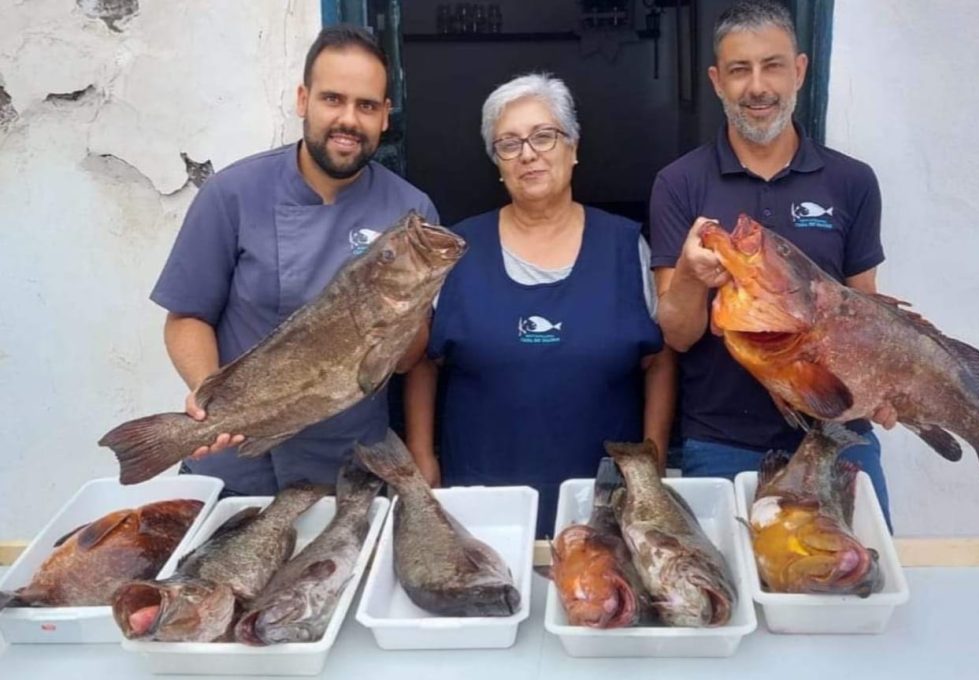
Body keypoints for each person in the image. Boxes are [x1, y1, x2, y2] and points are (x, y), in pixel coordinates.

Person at [150, 24, 438, 495]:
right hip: (239, 467)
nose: (348, 119)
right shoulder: (233, 194)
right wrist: (212, 400)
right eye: (332, 99)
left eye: (366, 105)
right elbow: (186, 317)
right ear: (303, 100)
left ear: (386, 116)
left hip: (350, 469)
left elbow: (408, 361)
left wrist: (405, 316)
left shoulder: (411, 215)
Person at [649, 0, 897, 525]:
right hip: (720, 441)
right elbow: (677, 335)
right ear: (717, 81)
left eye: (773, 65)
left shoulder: (852, 182)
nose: (757, 87)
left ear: (800, 70)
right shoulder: (679, 184)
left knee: (856, 589)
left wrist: (887, 384)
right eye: (740, 70)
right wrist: (693, 278)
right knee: (727, 602)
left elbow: (867, 312)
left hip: (839, 435)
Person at [404, 73, 676, 537]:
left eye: (544, 136)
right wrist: (422, 459)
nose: (528, 153)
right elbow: (422, 361)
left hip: (603, 502)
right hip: (482, 499)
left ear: (573, 148)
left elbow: (660, 359)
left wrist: (652, 461)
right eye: (508, 144)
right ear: (498, 164)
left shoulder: (625, 246)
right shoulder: (458, 249)